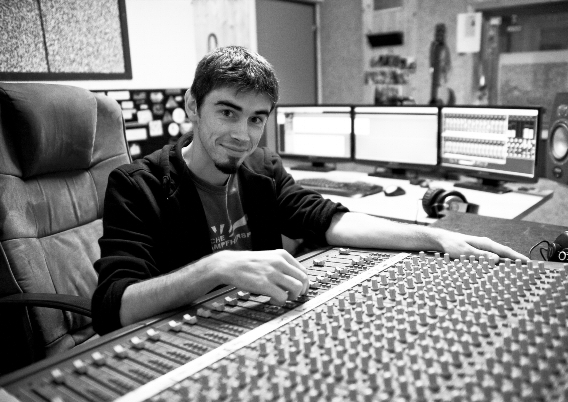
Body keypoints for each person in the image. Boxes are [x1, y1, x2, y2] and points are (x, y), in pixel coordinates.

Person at [92, 46, 527, 335]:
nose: (243, 135)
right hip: (181, 339)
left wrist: (437, 238)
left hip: (258, 326)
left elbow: (330, 220)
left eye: (257, 119)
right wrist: (216, 268)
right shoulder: (137, 186)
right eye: (228, 112)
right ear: (192, 105)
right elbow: (113, 308)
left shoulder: (262, 170)